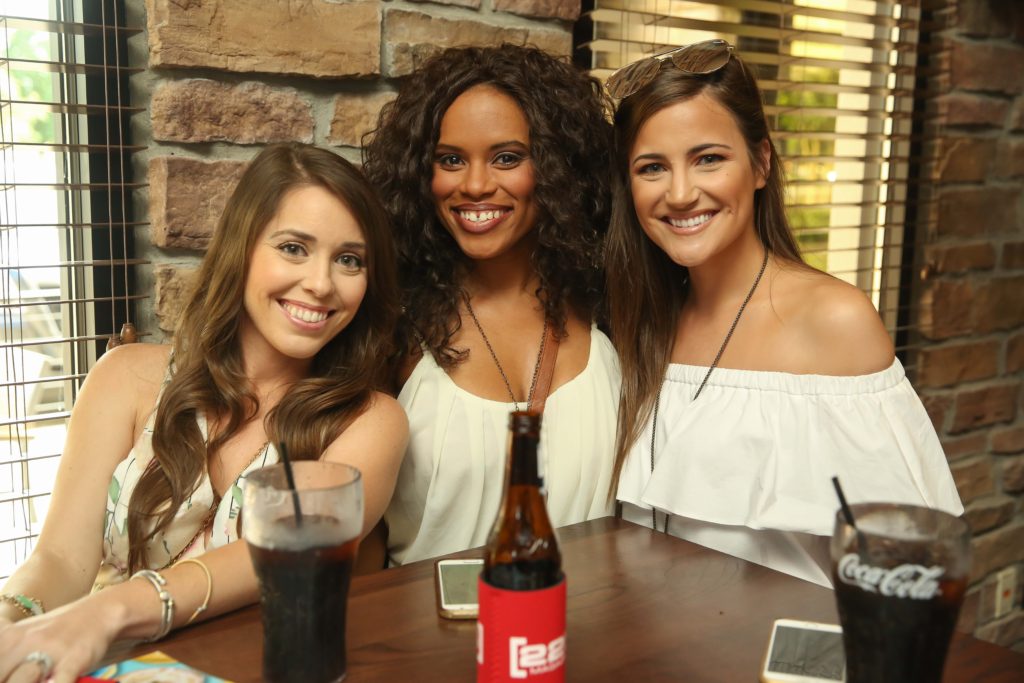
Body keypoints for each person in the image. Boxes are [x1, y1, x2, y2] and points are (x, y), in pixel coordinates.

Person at [0, 143, 408, 680]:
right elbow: (59, 560)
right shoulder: (125, 377)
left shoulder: (371, 422)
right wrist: (14, 619)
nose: (321, 283)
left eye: (349, 259)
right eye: (293, 248)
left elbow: (271, 557)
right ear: (242, 248)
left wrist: (110, 611)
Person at [604, 40, 962, 587]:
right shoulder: (639, 322)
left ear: (761, 164)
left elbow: (903, 570)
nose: (679, 193)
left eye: (708, 159)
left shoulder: (834, 320)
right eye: (652, 167)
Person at [362, 45, 620, 566]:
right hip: (427, 617)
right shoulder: (394, 328)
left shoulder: (609, 308)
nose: (476, 185)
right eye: (451, 160)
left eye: (507, 157)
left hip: (591, 614)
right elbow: (359, 536)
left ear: (557, 167)